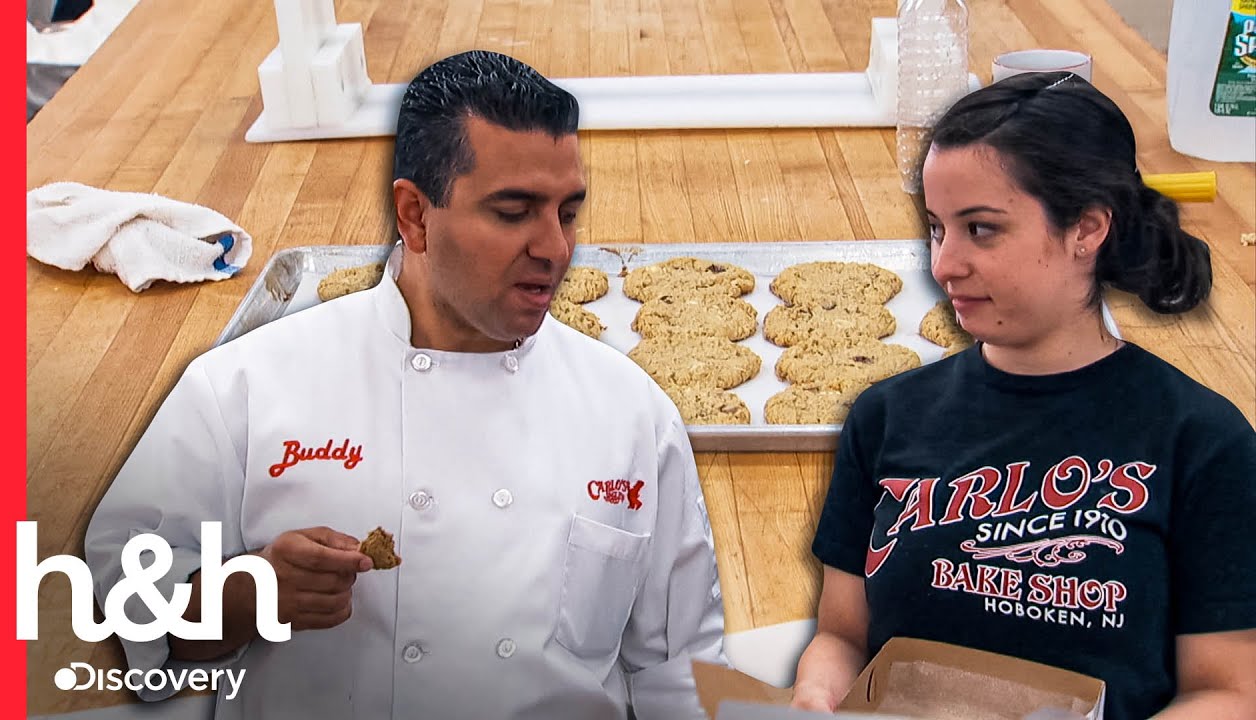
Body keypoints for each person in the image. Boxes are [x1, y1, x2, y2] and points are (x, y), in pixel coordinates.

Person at [85, 50, 725, 720]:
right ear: (415, 215)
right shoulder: (246, 387)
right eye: (514, 211)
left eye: (567, 212)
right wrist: (246, 598)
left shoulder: (630, 413)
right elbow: (127, 593)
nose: (555, 248)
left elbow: (681, 669)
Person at [790, 71, 1256, 719]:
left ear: (1086, 230)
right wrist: (818, 693)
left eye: (981, 229)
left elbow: (1228, 692)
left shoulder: (1201, 440)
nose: (945, 265)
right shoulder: (887, 417)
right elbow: (843, 637)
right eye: (936, 228)